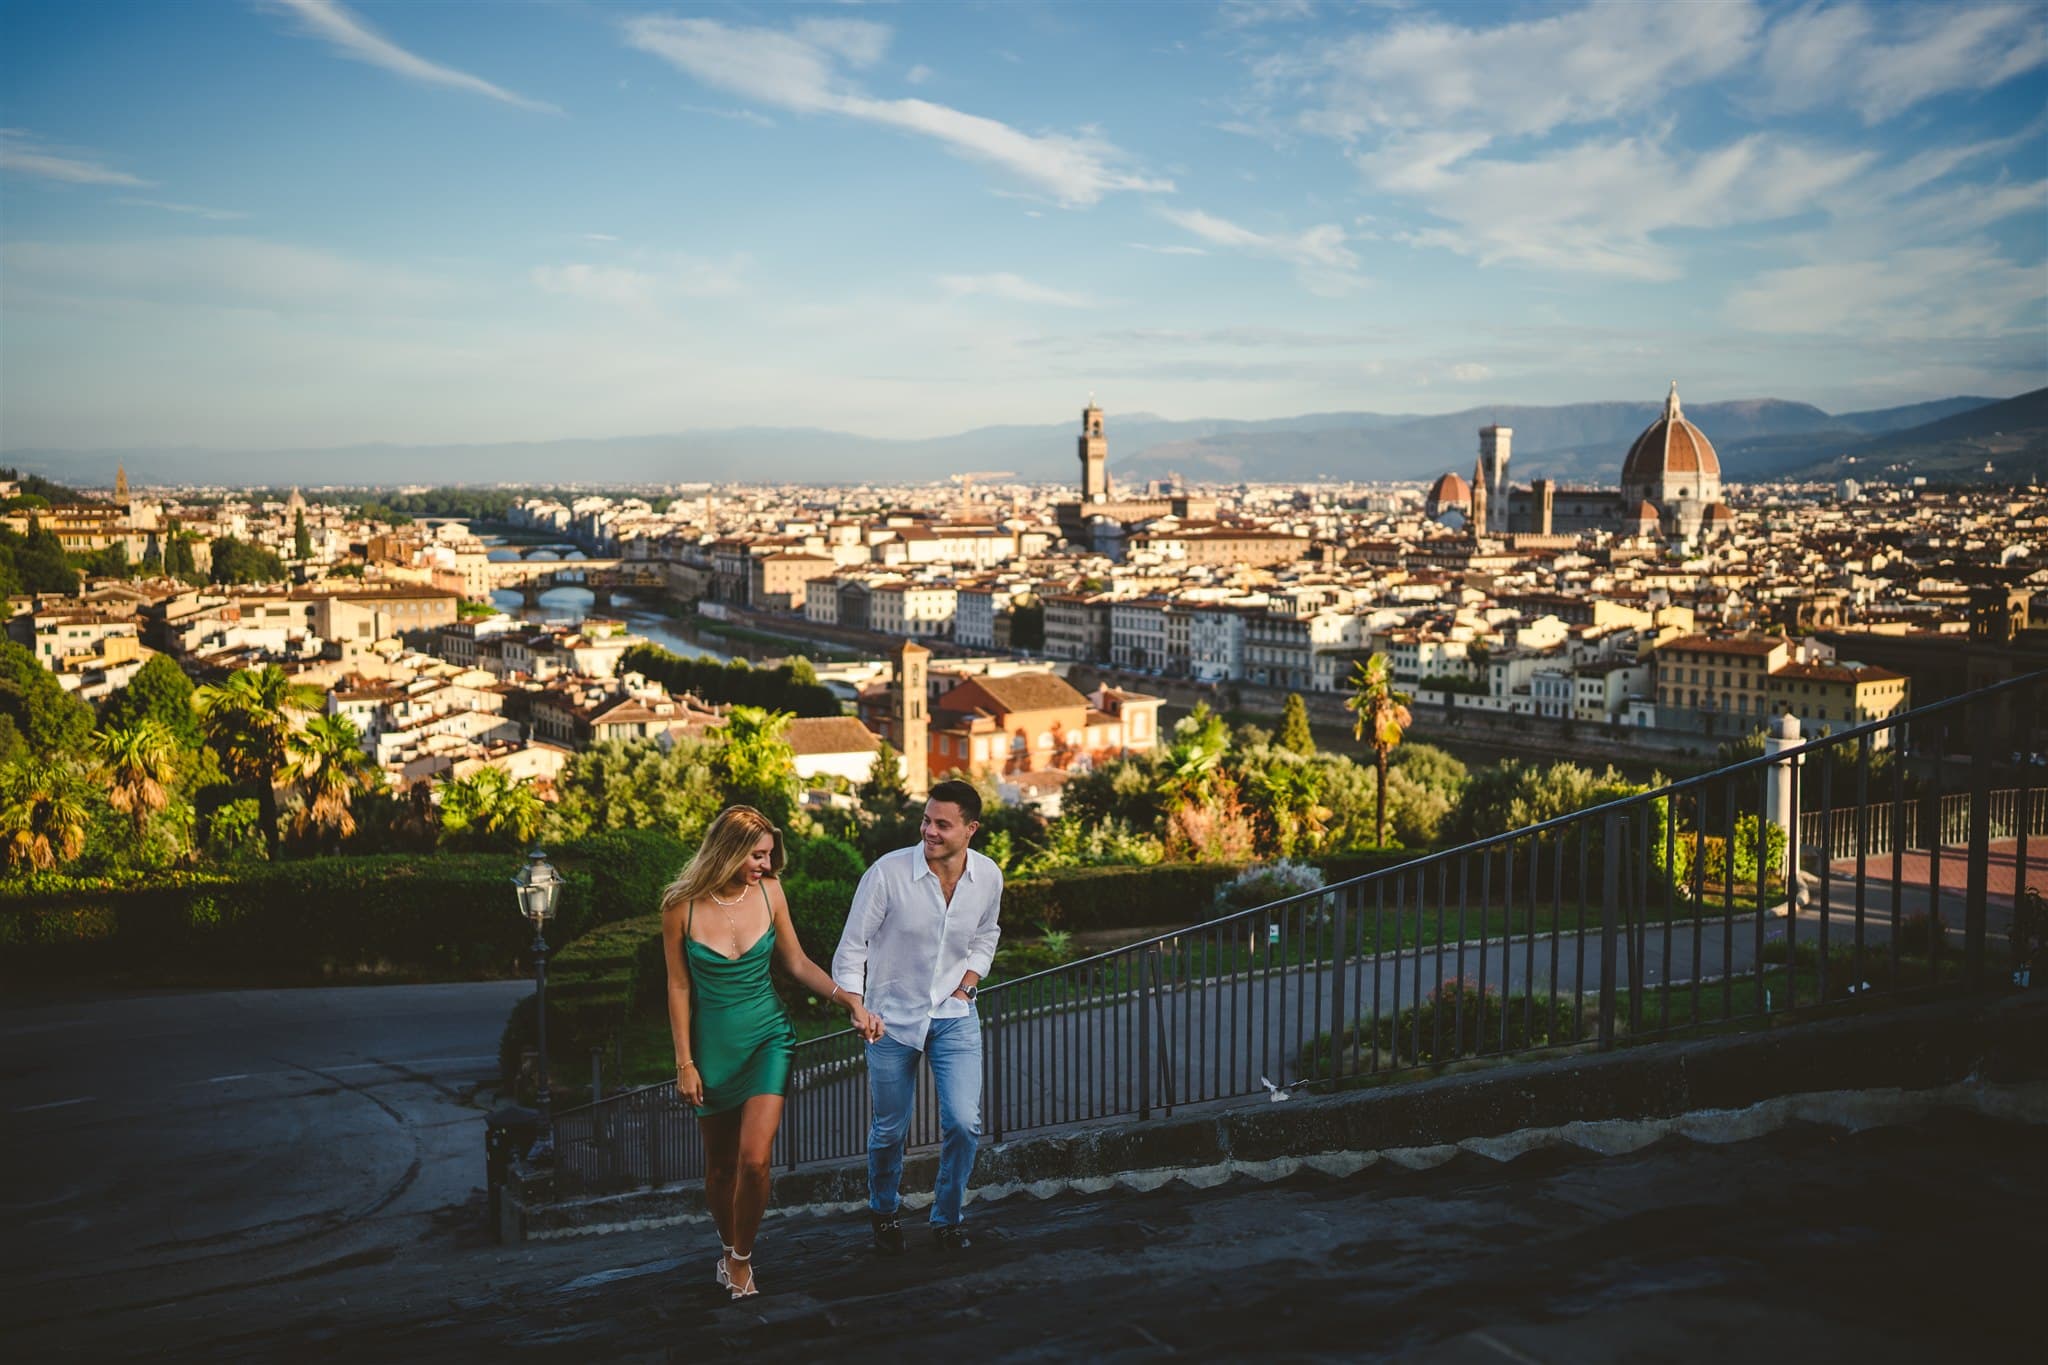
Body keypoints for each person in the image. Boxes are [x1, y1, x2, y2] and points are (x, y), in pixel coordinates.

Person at [662, 805, 876, 1299]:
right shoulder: (680, 906)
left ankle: (741, 1261)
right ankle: (727, 1244)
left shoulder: (770, 892)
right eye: (757, 855)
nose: (766, 863)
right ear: (729, 851)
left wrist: (849, 1000)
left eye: (768, 854)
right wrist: (685, 1062)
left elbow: (797, 962)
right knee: (719, 1166)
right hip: (712, 1048)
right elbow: (677, 988)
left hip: (768, 1037)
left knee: (755, 1159)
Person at [833, 778, 1003, 1254]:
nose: (929, 831)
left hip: (954, 1014)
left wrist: (970, 982)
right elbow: (852, 946)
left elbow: (987, 934)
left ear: (970, 829)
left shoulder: (988, 876)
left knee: (965, 1124)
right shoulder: (887, 874)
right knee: (890, 1128)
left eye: (942, 825)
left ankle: (947, 1217)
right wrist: (856, 1004)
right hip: (888, 1021)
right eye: (926, 820)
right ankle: (883, 1209)